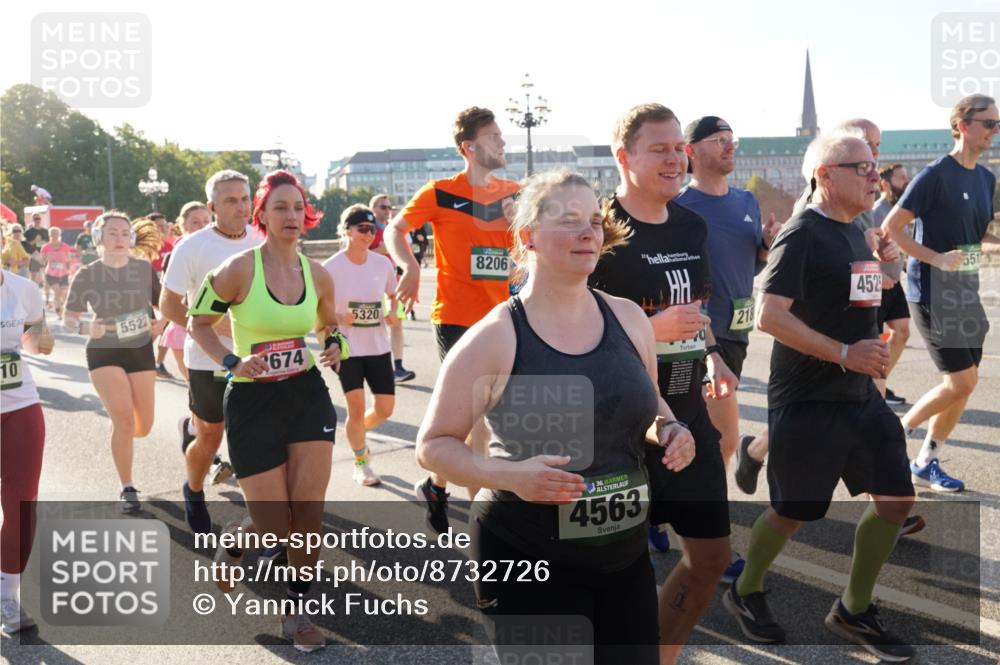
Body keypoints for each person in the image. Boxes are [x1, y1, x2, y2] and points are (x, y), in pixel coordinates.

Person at [417, 169, 696, 665]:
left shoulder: (629, 318)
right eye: (569, 221)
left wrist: (671, 430)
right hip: (525, 552)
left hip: (623, 554)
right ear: (529, 238)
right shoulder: (497, 335)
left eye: (593, 219)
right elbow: (433, 444)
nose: (588, 232)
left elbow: (650, 401)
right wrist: (511, 476)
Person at [723, 133, 915, 662]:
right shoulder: (801, 233)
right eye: (863, 168)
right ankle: (744, 590)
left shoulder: (855, 229)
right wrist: (844, 353)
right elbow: (769, 315)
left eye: (875, 167)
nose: (876, 176)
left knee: (897, 500)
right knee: (793, 511)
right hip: (808, 399)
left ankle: (854, 609)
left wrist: (888, 264)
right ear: (826, 175)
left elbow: (860, 295)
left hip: (858, 396)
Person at [588, 103, 736, 664]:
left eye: (679, 148)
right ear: (624, 157)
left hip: (687, 420)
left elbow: (692, 307)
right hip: (618, 431)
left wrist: (714, 354)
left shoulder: (691, 223)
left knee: (711, 559)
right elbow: (567, 333)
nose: (676, 159)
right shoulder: (597, 232)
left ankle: (660, 655)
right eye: (660, 149)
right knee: (615, 572)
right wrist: (649, 329)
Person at [188, 169, 340, 653]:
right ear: (263, 215)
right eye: (281, 208)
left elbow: (329, 325)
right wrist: (233, 362)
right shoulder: (235, 270)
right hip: (253, 400)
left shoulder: (317, 273)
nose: (292, 215)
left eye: (298, 208)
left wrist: (335, 345)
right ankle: (235, 545)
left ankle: (295, 612)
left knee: (308, 513)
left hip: (306, 394)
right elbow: (199, 323)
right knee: (274, 524)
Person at [386, 106, 519, 534]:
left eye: (503, 135)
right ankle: (485, 526)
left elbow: (534, 250)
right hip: (459, 319)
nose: (503, 142)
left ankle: (436, 484)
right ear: (470, 147)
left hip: (507, 318)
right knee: (478, 415)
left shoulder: (514, 192)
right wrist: (409, 266)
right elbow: (395, 230)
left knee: (472, 420)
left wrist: (523, 228)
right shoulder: (441, 191)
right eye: (495, 136)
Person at [883, 94, 999, 493]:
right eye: (988, 123)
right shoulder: (934, 175)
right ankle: (899, 430)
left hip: (967, 290)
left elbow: (977, 233)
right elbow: (892, 227)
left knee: (964, 385)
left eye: (997, 124)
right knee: (960, 382)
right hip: (932, 291)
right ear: (963, 126)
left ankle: (927, 460)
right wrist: (934, 258)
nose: (994, 131)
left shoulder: (986, 179)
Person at [676, 116, 778, 486]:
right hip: (699, 337)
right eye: (719, 140)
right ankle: (705, 521)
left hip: (738, 332)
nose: (730, 146)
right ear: (692, 151)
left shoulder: (746, 200)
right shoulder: (680, 207)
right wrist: (709, 349)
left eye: (732, 139)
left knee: (708, 438)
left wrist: (766, 244)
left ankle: (690, 513)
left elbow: (750, 267)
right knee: (722, 438)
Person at [161, 172, 259, 533]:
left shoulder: (263, 239)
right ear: (212, 206)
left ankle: (264, 517)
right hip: (208, 358)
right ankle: (194, 488)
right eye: (231, 200)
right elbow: (167, 303)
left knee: (254, 437)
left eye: (245, 198)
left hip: (258, 356)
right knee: (211, 436)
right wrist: (208, 325)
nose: (241, 206)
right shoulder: (192, 246)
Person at [62, 213, 168, 512]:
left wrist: (161, 324)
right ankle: (127, 486)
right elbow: (69, 318)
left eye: (125, 233)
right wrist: (84, 327)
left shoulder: (143, 270)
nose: (120, 238)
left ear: (132, 239)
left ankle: (121, 440)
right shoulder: (87, 274)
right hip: (104, 350)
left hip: (139, 351)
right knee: (122, 418)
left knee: (143, 426)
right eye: (113, 233)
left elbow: (166, 307)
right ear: (100, 238)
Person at [1, 236, 56, 635]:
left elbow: (36, 334)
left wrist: (42, 341)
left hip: (19, 405)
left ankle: (7, 594)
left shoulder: (24, 290)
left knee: (22, 505)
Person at [322, 205, 398, 486]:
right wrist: (339, 317)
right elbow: (319, 311)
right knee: (355, 407)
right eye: (363, 229)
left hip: (378, 346)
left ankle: (357, 434)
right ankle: (361, 461)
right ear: (346, 231)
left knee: (385, 409)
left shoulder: (383, 264)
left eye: (373, 230)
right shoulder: (330, 267)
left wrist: (393, 313)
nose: (369, 235)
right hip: (347, 348)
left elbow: (393, 296)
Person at [870, 163, 912, 406]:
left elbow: (900, 246)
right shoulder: (877, 211)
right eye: (901, 178)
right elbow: (862, 245)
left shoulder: (901, 211)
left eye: (907, 178)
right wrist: (877, 272)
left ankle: (880, 382)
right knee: (874, 342)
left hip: (893, 283)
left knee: (902, 332)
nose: (906, 182)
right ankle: (875, 389)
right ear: (885, 184)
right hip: (874, 284)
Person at [157, 202, 213, 382]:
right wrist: (161, 323)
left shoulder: (224, 249)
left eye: (206, 220)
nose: (203, 225)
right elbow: (169, 299)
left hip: (224, 326)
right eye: (196, 222)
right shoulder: (177, 253)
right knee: (196, 387)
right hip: (185, 325)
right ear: (183, 225)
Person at [369, 193, 415, 383]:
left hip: (393, 283)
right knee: (375, 328)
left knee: (396, 323)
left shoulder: (395, 229)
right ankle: (377, 368)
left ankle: (398, 367)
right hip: (371, 284)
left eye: (389, 207)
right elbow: (356, 253)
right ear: (373, 209)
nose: (387, 211)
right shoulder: (367, 228)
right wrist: (379, 249)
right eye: (383, 207)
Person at [39, 227, 78, 315]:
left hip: (63, 274)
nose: (54, 235)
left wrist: (66, 259)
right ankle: (58, 312)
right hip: (51, 274)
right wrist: (46, 258)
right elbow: (42, 261)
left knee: (64, 293)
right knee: (57, 292)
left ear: (59, 235)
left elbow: (71, 259)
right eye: (52, 234)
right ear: (49, 235)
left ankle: (61, 307)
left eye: (56, 233)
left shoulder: (65, 247)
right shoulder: (45, 247)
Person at [23, 214, 48, 286]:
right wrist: (34, 241)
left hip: (44, 255)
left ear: (41, 219)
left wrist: (43, 242)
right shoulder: (28, 232)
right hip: (34, 255)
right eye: (35, 219)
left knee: (46, 275)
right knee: (33, 276)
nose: (37, 220)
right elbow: (25, 245)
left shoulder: (45, 231)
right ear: (32, 220)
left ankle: (46, 294)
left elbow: (49, 243)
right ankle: (31, 290)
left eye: (38, 218)